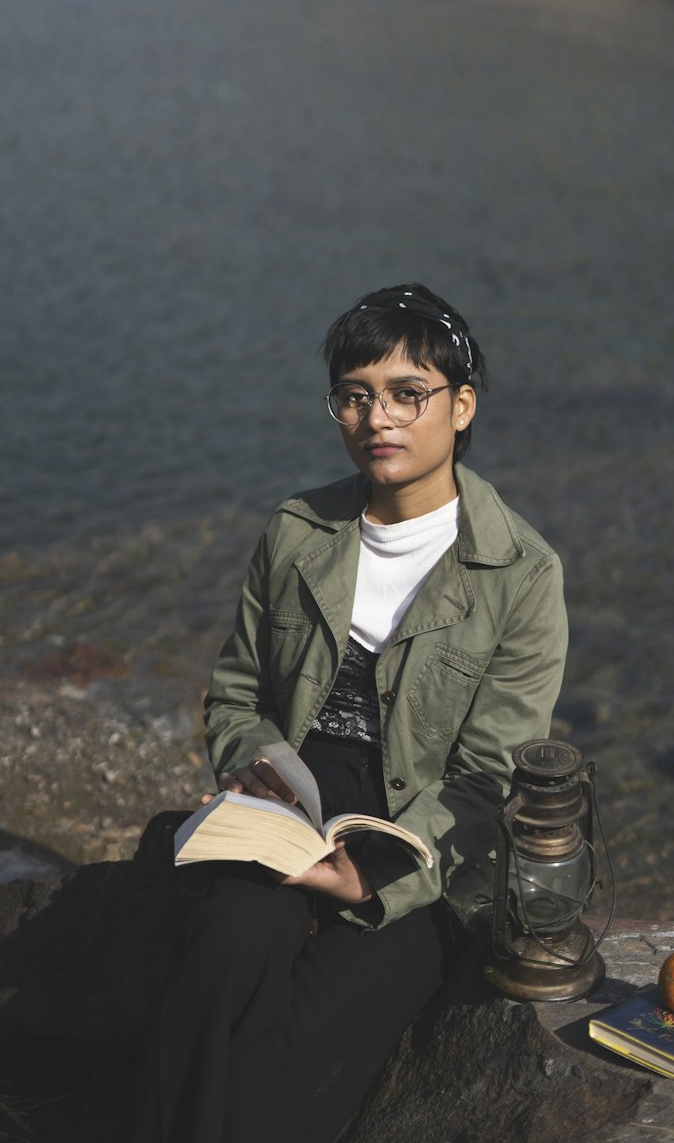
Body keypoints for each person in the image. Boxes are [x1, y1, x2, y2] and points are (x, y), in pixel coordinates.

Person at [133, 283, 569, 1143]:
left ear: (462, 404)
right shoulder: (299, 531)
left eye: (410, 394)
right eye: (356, 395)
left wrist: (371, 876)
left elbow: (490, 780)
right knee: (226, 948)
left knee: (298, 1045)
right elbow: (235, 692)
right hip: (290, 807)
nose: (381, 418)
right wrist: (253, 763)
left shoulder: (521, 574)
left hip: (418, 843)